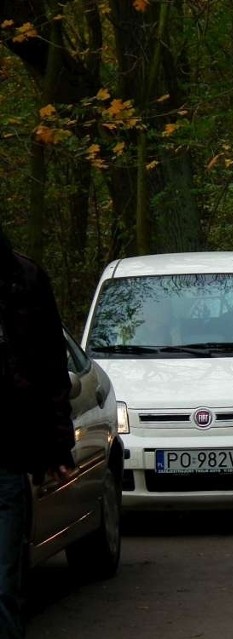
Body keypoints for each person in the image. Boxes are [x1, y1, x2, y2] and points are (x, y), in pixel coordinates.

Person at [0, 227, 75, 639]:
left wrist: (57, 446)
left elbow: (50, 366)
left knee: (5, 585)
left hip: (8, 459)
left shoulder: (24, 280)